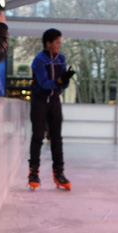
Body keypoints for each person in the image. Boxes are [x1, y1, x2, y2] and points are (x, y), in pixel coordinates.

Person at [28, 28, 74, 190]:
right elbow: (43, 83)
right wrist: (59, 81)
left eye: (60, 42)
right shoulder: (39, 60)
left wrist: (65, 80)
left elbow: (64, 84)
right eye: (57, 42)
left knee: (57, 138)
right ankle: (34, 172)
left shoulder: (61, 59)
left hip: (55, 101)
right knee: (38, 136)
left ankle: (59, 173)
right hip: (39, 101)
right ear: (48, 44)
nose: (60, 45)